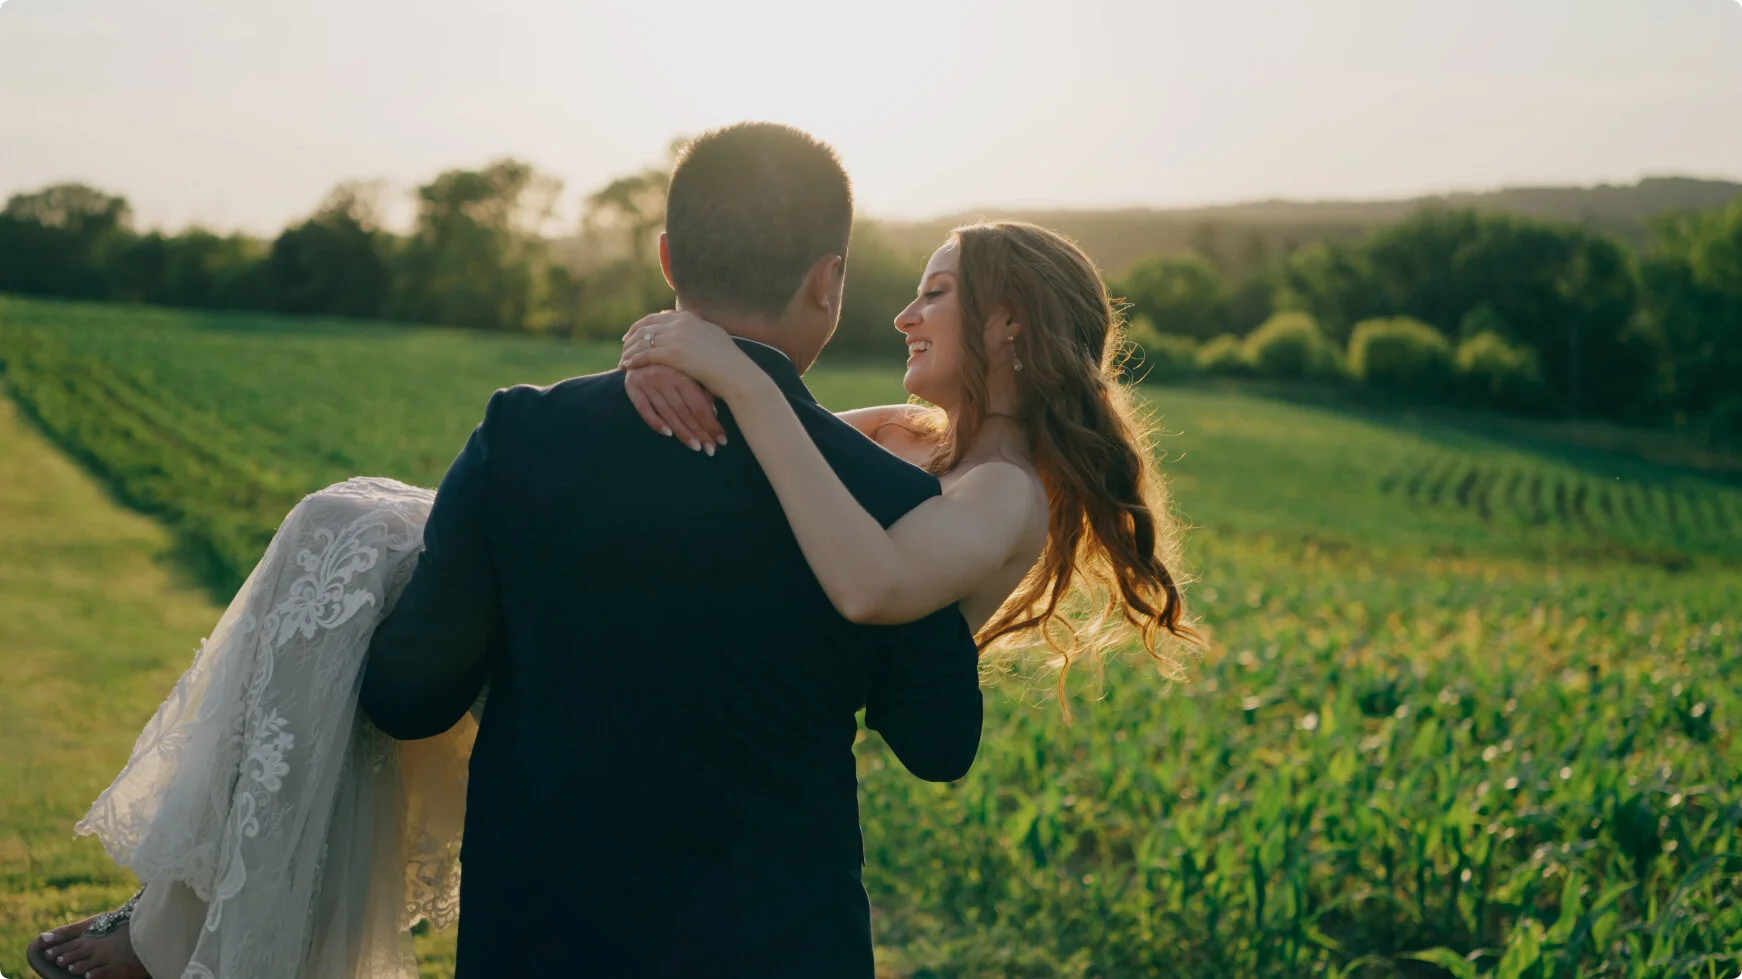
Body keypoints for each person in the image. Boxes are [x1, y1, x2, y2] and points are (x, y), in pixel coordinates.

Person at [28, 122, 986, 979]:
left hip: (543, 940)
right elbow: (939, 744)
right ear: (828, 280)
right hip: (784, 948)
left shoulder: (526, 436)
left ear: (666, 257)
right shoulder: (892, 499)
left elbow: (409, 696)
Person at [617, 220, 1196, 707]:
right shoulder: (897, 427)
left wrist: (740, 377)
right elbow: (738, 451)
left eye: (935, 294)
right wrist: (666, 365)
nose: (905, 317)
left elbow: (874, 588)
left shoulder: (1008, 490)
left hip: (770, 760)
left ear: (1008, 321)